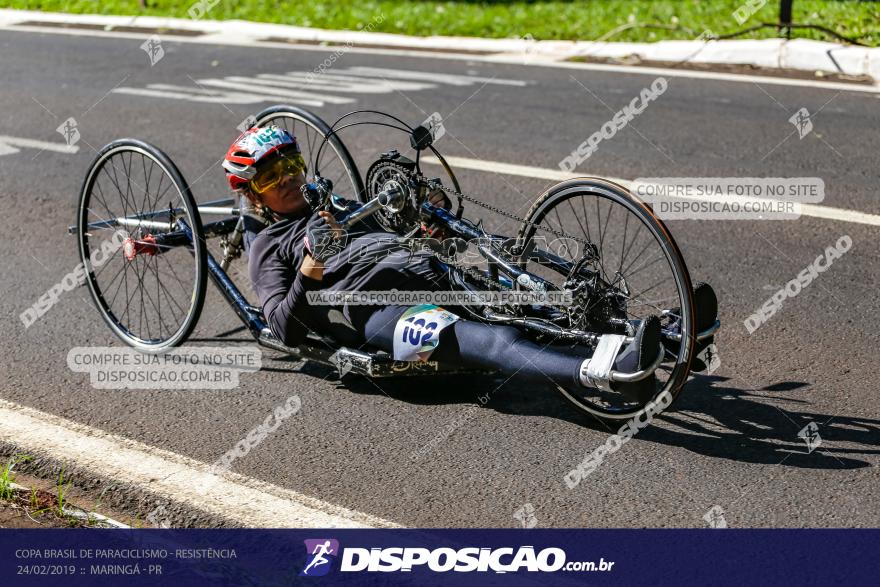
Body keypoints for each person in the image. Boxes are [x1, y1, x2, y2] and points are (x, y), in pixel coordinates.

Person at [223, 126, 716, 404]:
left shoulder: (342, 205)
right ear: (251, 192)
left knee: (527, 295)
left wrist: (426, 218)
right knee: (494, 341)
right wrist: (311, 263)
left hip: (428, 269)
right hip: (381, 312)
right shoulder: (270, 244)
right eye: (271, 176)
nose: (287, 180)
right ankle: (605, 372)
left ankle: (667, 336)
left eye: (292, 167)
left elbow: (401, 225)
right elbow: (284, 328)